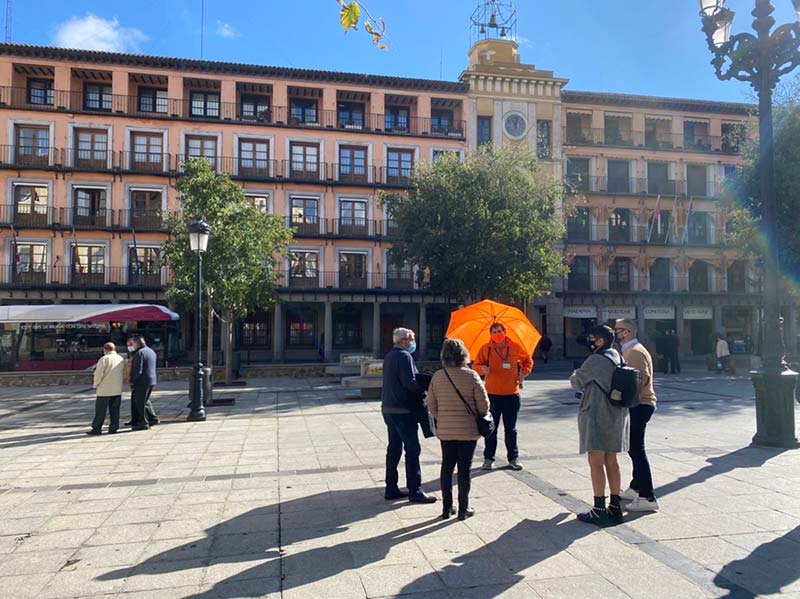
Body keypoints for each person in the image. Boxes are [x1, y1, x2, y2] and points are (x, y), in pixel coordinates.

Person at [569, 324, 629, 527]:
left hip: (597, 413)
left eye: (593, 338)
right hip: (617, 414)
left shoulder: (596, 359)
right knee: (611, 460)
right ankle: (615, 506)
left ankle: (598, 509)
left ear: (601, 340)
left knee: (596, 462)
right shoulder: (618, 356)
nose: (590, 341)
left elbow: (576, 382)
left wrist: (577, 372)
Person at [428, 338, 490, 521]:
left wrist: (444, 416)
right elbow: (484, 405)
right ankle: (464, 508)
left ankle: (447, 508)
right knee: (464, 469)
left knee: (446, 467)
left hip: (446, 430)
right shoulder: (471, 375)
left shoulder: (438, 376)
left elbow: (431, 405)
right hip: (468, 430)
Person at [381, 327, 437, 504]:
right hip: (403, 410)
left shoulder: (389, 356)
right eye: (411, 339)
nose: (414, 342)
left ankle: (391, 487)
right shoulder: (404, 356)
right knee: (412, 449)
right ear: (403, 341)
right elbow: (410, 383)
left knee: (394, 448)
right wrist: (425, 384)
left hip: (389, 408)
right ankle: (415, 490)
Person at [473, 322, 532, 471]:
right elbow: (475, 365)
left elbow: (528, 361)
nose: (497, 334)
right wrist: (482, 368)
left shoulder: (515, 347)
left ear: (505, 332)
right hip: (492, 394)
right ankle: (488, 459)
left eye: (499, 331)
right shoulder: (485, 349)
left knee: (511, 429)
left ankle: (513, 458)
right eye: (494, 332)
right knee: (491, 428)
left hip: (512, 393)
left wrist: (523, 373)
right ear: (490, 334)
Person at [614, 319, 659, 512]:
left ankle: (648, 496)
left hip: (641, 404)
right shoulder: (629, 350)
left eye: (618, 330)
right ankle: (636, 487)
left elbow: (642, 377)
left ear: (627, 332)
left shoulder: (635, 351)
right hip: (638, 403)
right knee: (633, 448)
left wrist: (623, 394)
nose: (616, 333)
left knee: (637, 449)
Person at [87, 342, 125, 435]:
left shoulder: (104, 359)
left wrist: (95, 384)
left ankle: (97, 428)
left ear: (105, 350)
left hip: (104, 389)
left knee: (101, 410)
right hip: (117, 388)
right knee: (115, 409)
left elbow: (98, 373)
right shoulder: (120, 358)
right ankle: (114, 427)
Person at [130, 336, 159, 431]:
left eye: (133, 344)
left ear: (137, 343)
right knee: (145, 401)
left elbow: (138, 369)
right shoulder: (151, 351)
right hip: (151, 380)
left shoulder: (140, 353)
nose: (132, 346)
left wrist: (133, 381)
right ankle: (153, 418)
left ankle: (143, 422)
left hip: (142, 381)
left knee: (140, 402)